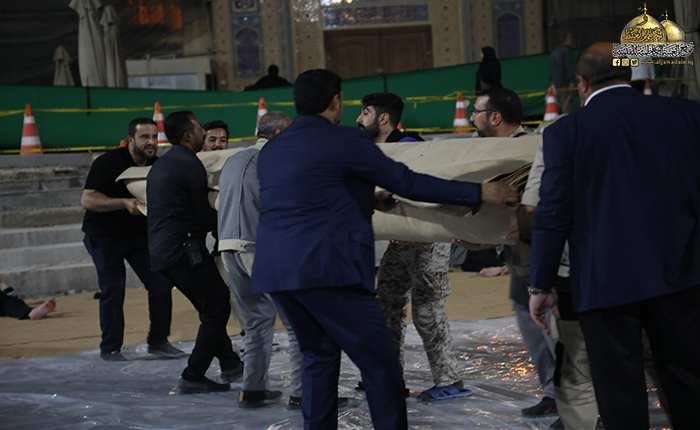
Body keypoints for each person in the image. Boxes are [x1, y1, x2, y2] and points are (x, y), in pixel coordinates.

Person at [251, 69, 519, 430]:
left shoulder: (272, 150)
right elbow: (407, 182)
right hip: (330, 273)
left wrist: (366, 198)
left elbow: (306, 196)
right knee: (380, 365)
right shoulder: (346, 140)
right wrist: (479, 192)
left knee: (318, 355)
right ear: (336, 101)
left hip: (276, 273)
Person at [529, 42, 700, 430]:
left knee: (619, 393)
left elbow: (552, 214)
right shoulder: (686, 114)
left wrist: (540, 283)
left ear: (582, 83)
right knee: (688, 381)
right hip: (682, 275)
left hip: (605, 283)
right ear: (629, 74)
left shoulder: (566, 132)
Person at [355, 92, 470, 402]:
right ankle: (390, 377)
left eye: (365, 113)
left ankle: (450, 380)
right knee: (387, 307)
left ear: (383, 118)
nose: (358, 119)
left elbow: (425, 190)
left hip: (427, 244)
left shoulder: (411, 147)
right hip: (399, 243)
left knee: (427, 311)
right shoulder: (376, 151)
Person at [456, 88, 558, 422]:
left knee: (555, 335)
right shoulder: (491, 153)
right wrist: (482, 241)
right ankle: (553, 394)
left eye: (476, 111)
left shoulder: (530, 152)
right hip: (518, 263)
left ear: (495, 117)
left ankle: (577, 404)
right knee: (535, 336)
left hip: (545, 262)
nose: (472, 117)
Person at [147, 111, 243, 395]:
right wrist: (235, 222)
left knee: (209, 307)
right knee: (217, 305)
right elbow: (202, 215)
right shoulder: (190, 166)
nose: (204, 133)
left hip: (163, 251)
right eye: (200, 129)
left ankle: (230, 362)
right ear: (189, 135)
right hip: (184, 251)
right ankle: (193, 375)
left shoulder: (164, 164)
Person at [218, 111, 309, 409]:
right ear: (280, 133)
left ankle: (253, 390)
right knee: (300, 323)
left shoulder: (235, 159)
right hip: (258, 249)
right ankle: (304, 395)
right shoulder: (274, 160)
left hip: (229, 248)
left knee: (258, 320)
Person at [81, 117, 182, 362]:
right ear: (130, 140)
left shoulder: (157, 165)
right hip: (104, 236)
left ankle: (158, 341)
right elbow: (88, 199)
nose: (151, 142)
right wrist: (123, 203)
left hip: (138, 237)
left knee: (161, 283)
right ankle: (110, 348)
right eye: (145, 137)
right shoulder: (107, 162)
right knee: (113, 288)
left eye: (154, 137)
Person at [549, 33, 577, 114]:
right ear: (566, 40)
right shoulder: (567, 52)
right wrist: (572, 81)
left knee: (559, 104)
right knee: (567, 104)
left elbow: (551, 68)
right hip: (566, 83)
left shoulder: (553, 52)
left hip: (556, 84)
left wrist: (553, 81)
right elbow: (569, 67)